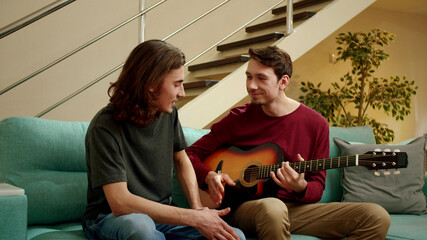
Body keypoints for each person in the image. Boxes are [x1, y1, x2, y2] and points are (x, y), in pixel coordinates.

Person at [186, 45, 391, 240]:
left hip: (293, 210)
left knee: (376, 216)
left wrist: (300, 186)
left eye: (261, 78)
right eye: (248, 77)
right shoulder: (238, 119)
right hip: (245, 207)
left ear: (283, 82)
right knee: (273, 208)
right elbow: (189, 154)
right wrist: (209, 176)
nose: (251, 85)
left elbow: (317, 188)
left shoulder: (316, 124)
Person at [82, 39, 245, 240]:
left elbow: (181, 159)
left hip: (162, 214)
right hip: (111, 218)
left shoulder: (168, 113)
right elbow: (120, 202)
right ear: (151, 83)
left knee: (233, 236)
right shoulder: (104, 127)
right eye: (176, 84)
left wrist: (197, 210)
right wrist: (192, 218)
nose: (182, 93)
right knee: (141, 227)